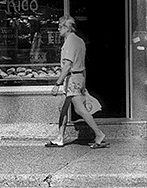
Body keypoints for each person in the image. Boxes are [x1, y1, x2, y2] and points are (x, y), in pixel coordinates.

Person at [46, 15, 108, 149]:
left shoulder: (69, 42)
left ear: (66, 28)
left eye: (60, 26)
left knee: (80, 109)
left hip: (72, 79)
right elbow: (83, 64)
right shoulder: (80, 41)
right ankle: (60, 137)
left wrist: (57, 84)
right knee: (63, 108)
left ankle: (99, 134)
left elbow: (68, 65)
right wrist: (84, 83)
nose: (58, 29)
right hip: (78, 77)